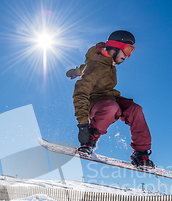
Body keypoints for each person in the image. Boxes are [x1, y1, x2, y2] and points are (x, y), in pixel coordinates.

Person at [66, 30, 154, 169]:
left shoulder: (107, 62)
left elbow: (84, 67)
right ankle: (90, 140)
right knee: (112, 107)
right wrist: (83, 126)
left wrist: (75, 72)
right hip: (97, 104)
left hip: (110, 97)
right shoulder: (96, 65)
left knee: (135, 109)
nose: (128, 56)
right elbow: (80, 93)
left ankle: (140, 153)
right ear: (116, 46)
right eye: (127, 50)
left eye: (131, 51)